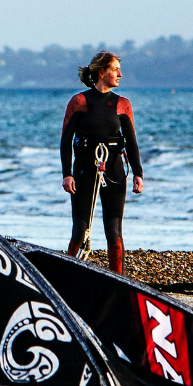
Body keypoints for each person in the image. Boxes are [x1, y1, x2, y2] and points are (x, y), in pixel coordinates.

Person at [60, 51, 143, 273]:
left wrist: (138, 174)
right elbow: (65, 141)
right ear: (101, 72)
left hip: (114, 169)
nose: (120, 74)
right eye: (115, 70)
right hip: (85, 169)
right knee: (80, 229)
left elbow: (132, 142)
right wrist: (67, 174)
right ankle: (68, 275)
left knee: (114, 230)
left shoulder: (123, 105)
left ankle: (118, 280)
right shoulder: (79, 101)